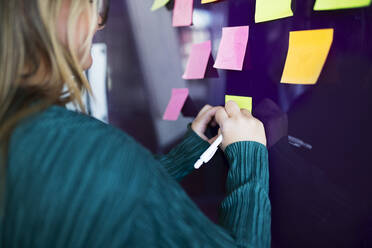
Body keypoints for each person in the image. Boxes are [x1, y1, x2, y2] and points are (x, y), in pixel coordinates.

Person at [0, 0, 271, 247]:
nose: (100, 21)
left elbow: (108, 188)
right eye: (97, 8)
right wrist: (248, 158)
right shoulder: (96, 153)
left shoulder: (19, 129)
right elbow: (114, 181)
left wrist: (187, 153)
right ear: (61, 9)